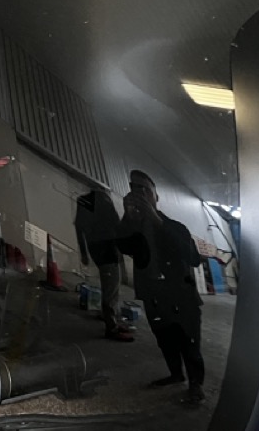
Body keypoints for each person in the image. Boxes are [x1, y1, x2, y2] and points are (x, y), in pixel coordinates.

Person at [117, 170, 205, 403]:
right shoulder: (134, 229)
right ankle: (176, 374)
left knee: (189, 342)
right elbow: (122, 246)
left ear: (156, 196)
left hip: (182, 297)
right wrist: (128, 217)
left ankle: (196, 385)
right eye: (135, 189)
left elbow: (193, 258)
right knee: (165, 340)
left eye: (145, 190)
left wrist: (156, 220)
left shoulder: (176, 227)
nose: (141, 194)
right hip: (154, 297)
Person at [74, 188, 134, 341]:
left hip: (96, 250)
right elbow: (118, 227)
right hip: (108, 251)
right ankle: (112, 327)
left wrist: (84, 253)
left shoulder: (83, 201)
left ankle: (109, 317)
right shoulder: (105, 201)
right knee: (111, 289)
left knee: (109, 286)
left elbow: (79, 228)